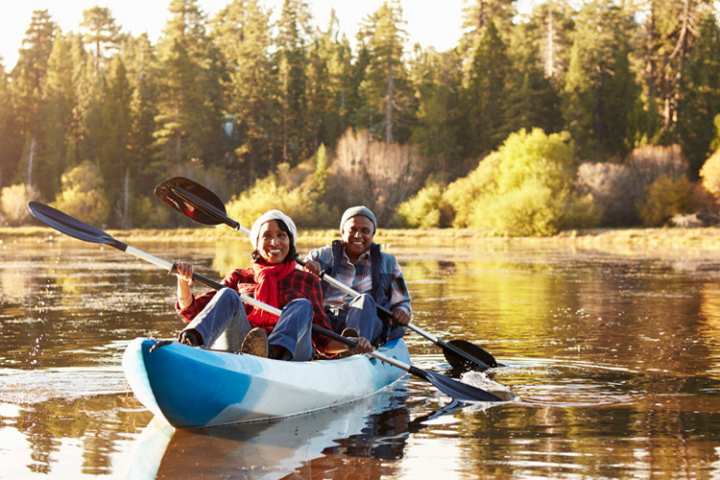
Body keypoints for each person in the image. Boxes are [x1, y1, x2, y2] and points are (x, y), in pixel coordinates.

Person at [174, 209, 353, 360]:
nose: (274, 242)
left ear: (290, 243)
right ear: (257, 244)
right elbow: (193, 311)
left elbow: (322, 341)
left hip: (291, 357)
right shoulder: (239, 276)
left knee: (301, 305)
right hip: (243, 345)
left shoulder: (307, 279)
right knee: (228, 294)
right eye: (266, 236)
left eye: (281, 235)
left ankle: (275, 352)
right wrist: (183, 281)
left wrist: (352, 346)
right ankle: (189, 343)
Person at [304, 206, 412, 347]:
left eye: (365, 231)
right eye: (353, 230)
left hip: (369, 322)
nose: (358, 236)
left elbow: (402, 302)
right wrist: (307, 271)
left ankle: (354, 346)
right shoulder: (318, 257)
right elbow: (297, 285)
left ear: (373, 234)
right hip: (327, 322)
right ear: (342, 232)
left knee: (364, 300)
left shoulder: (389, 262)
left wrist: (402, 311)